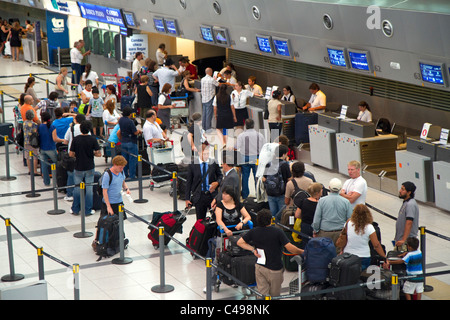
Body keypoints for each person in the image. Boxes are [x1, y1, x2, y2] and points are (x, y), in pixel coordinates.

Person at [237, 208, 304, 297]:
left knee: (262, 294)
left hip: (260, 267)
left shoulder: (253, 231)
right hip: (275, 269)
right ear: (270, 220)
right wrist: (302, 251)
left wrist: (253, 249)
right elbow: (290, 248)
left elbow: (240, 242)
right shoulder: (277, 232)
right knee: (275, 295)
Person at [69, 120, 102, 215]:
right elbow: (99, 154)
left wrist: (78, 154)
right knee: (89, 190)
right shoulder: (92, 139)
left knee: (77, 189)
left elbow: (71, 154)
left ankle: (75, 209)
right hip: (89, 167)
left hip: (78, 166)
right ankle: (88, 210)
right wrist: (92, 153)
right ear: (89, 129)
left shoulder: (76, 139)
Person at [341, 204, 386, 271]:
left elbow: (345, 238)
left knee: (348, 276)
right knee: (362, 277)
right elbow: (376, 245)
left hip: (348, 255)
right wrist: (384, 257)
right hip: (364, 256)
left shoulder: (348, 223)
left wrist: (342, 250)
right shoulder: (369, 227)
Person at [312, 178, 353, 250]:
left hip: (324, 233)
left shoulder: (322, 201)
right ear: (340, 188)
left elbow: (317, 219)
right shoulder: (346, 202)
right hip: (340, 233)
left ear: (329, 187)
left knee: (324, 254)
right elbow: (349, 219)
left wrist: (316, 230)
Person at [185, 142, 223, 221]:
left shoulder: (213, 163)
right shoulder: (192, 165)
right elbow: (189, 182)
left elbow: (220, 176)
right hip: (200, 196)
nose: (206, 156)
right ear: (199, 153)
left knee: (216, 218)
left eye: (208, 154)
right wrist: (187, 198)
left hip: (212, 195)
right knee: (200, 220)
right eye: (204, 154)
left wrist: (217, 183)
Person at [236, 119, 266, 199]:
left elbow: (237, 147)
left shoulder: (241, 135)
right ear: (253, 125)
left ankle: (245, 195)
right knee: (257, 176)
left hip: (245, 158)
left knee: (245, 177)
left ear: (245, 125)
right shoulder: (260, 135)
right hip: (256, 158)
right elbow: (264, 147)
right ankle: (258, 194)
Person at [63, 114, 86, 201]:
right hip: (83, 155)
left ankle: (70, 194)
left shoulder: (71, 128)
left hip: (72, 154)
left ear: (76, 120)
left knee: (71, 174)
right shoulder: (86, 129)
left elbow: (65, 141)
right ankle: (82, 194)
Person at [263, 144, 291, 216]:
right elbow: (289, 180)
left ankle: (272, 225)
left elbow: (264, 179)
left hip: (270, 193)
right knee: (281, 215)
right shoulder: (284, 165)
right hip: (281, 194)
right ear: (284, 154)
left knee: (273, 214)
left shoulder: (268, 163)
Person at [394, 181, 419, 251]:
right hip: (402, 240)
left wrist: (403, 240)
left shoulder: (410, 204)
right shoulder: (406, 203)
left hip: (406, 243)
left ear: (409, 192)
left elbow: (409, 223)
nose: (400, 191)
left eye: (403, 189)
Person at [38, 111, 61, 186]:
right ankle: (57, 181)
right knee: (57, 164)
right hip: (51, 148)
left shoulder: (39, 126)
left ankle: (46, 182)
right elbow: (55, 139)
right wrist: (63, 140)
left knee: (44, 166)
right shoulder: (52, 127)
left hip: (42, 149)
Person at [118, 107, 142, 179]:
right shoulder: (130, 121)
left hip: (123, 142)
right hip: (131, 142)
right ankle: (132, 175)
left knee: (124, 159)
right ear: (130, 113)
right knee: (132, 160)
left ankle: (124, 174)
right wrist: (139, 131)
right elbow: (135, 132)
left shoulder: (120, 120)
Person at [214, 84, 236, 148]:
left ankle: (223, 142)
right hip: (228, 114)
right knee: (227, 129)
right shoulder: (229, 97)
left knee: (218, 129)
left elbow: (215, 108)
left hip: (220, 115)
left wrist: (215, 115)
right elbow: (232, 107)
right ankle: (227, 143)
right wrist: (234, 116)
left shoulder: (216, 97)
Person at [200, 67, 219, 131]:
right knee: (209, 114)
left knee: (204, 113)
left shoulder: (202, 79)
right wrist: (216, 79)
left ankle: (203, 127)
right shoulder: (211, 79)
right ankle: (208, 128)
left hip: (204, 98)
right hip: (210, 98)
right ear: (210, 72)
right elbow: (218, 84)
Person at [23, 109, 40, 176]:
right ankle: (35, 171)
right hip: (33, 142)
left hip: (26, 141)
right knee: (35, 156)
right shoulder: (34, 124)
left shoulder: (24, 123)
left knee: (28, 156)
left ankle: (30, 170)